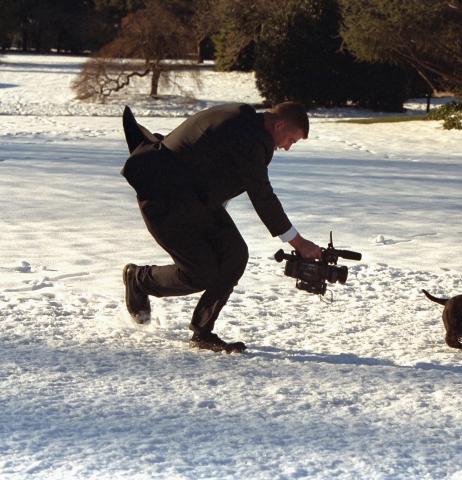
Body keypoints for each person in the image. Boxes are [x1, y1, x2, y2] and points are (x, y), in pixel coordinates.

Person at [120, 102, 322, 352]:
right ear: (279, 124)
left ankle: (202, 332)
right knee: (200, 273)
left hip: (196, 200)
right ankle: (139, 280)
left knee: (235, 254)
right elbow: (262, 196)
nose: (287, 147)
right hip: (164, 201)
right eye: (291, 139)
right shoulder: (248, 136)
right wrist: (299, 243)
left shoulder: (243, 120)